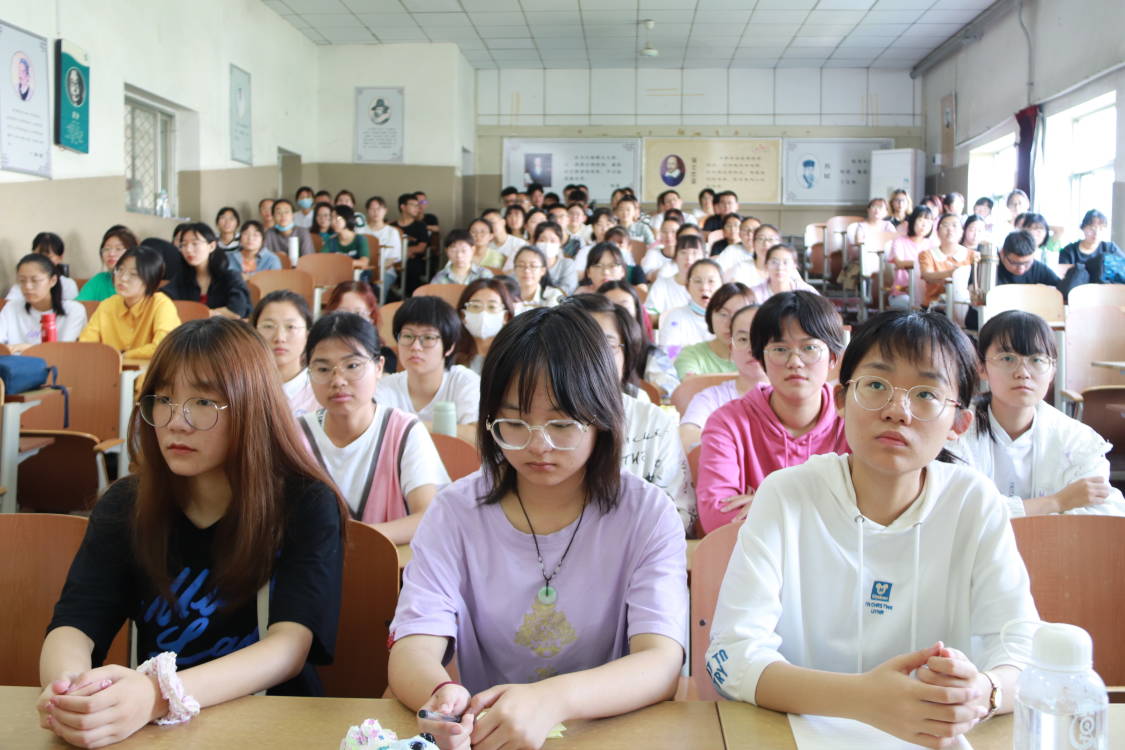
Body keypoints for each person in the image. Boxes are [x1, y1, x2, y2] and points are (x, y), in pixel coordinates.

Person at [706, 310, 1038, 747]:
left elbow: (1023, 648)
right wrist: (865, 699)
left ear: (959, 424)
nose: (897, 411)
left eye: (926, 394)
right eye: (877, 386)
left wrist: (984, 692)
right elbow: (729, 657)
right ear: (842, 399)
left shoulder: (973, 502)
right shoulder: (787, 495)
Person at [39, 318, 348, 749]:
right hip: (156, 733)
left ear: (252, 407)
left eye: (203, 402)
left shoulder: (305, 504)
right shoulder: (127, 504)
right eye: (163, 399)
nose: (176, 422)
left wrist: (158, 694)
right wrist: (69, 692)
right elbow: (75, 622)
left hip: (272, 725)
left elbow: (288, 648)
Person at [388, 304, 687, 750]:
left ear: (602, 417)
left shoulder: (647, 514)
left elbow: (660, 662)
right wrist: (442, 695)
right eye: (514, 423)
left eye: (562, 424)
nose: (538, 445)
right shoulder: (454, 512)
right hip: (487, 735)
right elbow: (413, 643)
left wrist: (553, 700)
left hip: (608, 735)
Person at [695, 291, 848, 533]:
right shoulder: (728, 423)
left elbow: (869, 512)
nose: (795, 361)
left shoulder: (853, 419)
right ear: (761, 358)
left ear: (832, 358)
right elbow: (717, 517)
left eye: (809, 348)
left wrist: (768, 504)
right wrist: (827, 509)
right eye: (780, 349)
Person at [951, 311, 1124, 516]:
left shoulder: (1077, 439)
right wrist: (1057, 502)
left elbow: (1106, 511)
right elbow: (955, 510)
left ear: (1052, 371)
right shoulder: (954, 432)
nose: (1023, 373)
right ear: (981, 367)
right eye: (1007, 358)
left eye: (1037, 360)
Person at [299, 313, 448, 545]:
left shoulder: (404, 431)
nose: (338, 380)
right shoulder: (295, 435)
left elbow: (428, 516)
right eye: (323, 369)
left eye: (352, 366)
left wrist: (350, 540)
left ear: (379, 367)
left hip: (392, 565)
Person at [569, 294, 695, 532]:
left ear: (626, 355)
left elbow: (681, 513)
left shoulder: (654, 422)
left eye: (606, 346)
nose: (592, 357)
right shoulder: (533, 421)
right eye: (578, 345)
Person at [376, 296, 481, 437]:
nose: (415, 346)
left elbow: (475, 436)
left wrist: (405, 427)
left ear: (449, 346)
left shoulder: (465, 382)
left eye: (428, 338)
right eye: (407, 336)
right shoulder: (385, 387)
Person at [679, 303, 767, 451]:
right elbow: (687, 436)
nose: (752, 348)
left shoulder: (796, 396)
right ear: (731, 348)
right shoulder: (711, 398)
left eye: (761, 338)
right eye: (743, 339)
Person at [80, 246, 180, 359]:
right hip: (110, 368)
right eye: (120, 270)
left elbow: (164, 347)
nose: (123, 278)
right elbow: (86, 345)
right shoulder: (107, 305)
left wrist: (124, 355)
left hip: (150, 369)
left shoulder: (161, 304)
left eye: (133, 274)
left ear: (150, 280)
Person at [597, 280, 678, 398]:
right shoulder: (587, 349)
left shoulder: (649, 352)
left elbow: (670, 386)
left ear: (636, 310)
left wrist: (641, 392)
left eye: (624, 306)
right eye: (610, 307)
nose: (618, 313)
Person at [163, 223, 252, 319]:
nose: (188, 250)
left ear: (211, 246)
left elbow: (237, 311)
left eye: (195, 243)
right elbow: (162, 297)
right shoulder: (182, 278)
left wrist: (198, 315)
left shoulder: (230, 277)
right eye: (183, 245)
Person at [251, 290, 318, 417]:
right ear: (253, 333)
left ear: (307, 335)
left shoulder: (320, 390)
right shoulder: (241, 387)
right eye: (268, 326)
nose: (279, 337)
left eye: (291, 327)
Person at [0, 254, 86, 351]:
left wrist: (25, 348)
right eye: (22, 281)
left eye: (35, 280)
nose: (28, 286)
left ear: (52, 281)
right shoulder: (11, 308)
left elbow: (64, 351)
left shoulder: (74, 310)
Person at [675, 282, 753, 380]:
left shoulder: (760, 355)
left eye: (738, 315)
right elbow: (690, 384)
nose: (730, 323)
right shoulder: (692, 355)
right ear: (710, 316)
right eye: (723, 314)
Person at [918, 214, 978, 320]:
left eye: (954, 225)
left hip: (965, 306)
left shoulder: (972, 255)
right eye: (945, 225)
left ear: (962, 232)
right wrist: (953, 273)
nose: (950, 229)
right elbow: (927, 275)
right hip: (934, 308)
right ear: (937, 232)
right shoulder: (927, 254)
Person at [657, 258, 721, 357]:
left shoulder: (730, 318)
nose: (704, 287)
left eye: (711, 281)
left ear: (722, 286)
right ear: (687, 287)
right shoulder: (675, 318)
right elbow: (668, 356)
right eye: (697, 281)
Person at [455, 278, 516, 374]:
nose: (483, 314)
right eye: (475, 306)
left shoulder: (515, 355)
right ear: (463, 315)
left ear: (505, 316)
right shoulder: (451, 352)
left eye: (492, 307)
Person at [885, 206, 936, 307]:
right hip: (902, 292)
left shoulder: (932, 244)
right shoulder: (899, 241)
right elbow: (899, 263)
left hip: (926, 293)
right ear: (912, 221)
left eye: (928, 222)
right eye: (920, 220)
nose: (924, 225)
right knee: (911, 305)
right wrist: (923, 263)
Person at [646, 234, 703, 323]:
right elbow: (649, 316)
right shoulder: (662, 284)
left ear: (703, 257)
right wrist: (674, 323)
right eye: (683, 252)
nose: (689, 258)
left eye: (694, 253)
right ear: (675, 257)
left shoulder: (710, 287)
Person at [78, 227, 137, 302]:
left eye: (118, 249)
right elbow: (78, 305)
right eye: (107, 249)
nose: (111, 254)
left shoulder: (139, 283)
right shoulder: (99, 280)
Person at [357, 196, 404, 291]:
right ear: (367, 211)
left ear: (385, 211)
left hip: (384, 271)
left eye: (378, 209)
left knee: (375, 290)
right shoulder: (359, 230)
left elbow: (393, 258)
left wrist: (376, 270)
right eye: (372, 209)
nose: (375, 212)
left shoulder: (392, 232)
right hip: (361, 270)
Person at [747, 244, 819, 304]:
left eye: (785, 262)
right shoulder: (753, 294)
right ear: (766, 265)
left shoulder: (807, 292)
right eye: (774, 262)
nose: (780, 267)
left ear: (794, 266)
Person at [995, 230, 1062, 288]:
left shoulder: (1037, 268)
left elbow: (1061, 288)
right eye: (1015, 263)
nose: (1021, 269)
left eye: (1027, 263)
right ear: (1002, 254)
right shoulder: (992, 268)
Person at [511, 246, 565, 313]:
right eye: (521, 265)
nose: (527, 270)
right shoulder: (506, 294)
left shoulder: (553, 295)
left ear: (543, 271)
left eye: (533, 266)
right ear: (515, 269)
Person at [730, 223, 783, 288]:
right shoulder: (741, 268)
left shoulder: (786, 269)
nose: (766, 244)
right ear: (753, 243)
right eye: (761, 239)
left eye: (771, 239)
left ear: (779, 243)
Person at [320, 205, 371, 271]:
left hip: (358, 275)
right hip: (337, 275)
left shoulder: (360, 239)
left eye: (337, 218)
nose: (333, 222)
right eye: (332, 218)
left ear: (347, 218)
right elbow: (321, 260)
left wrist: (339, 263)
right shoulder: (331, 240)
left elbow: (363, 262)